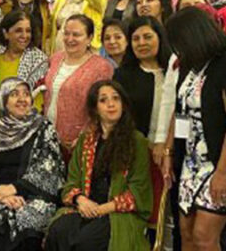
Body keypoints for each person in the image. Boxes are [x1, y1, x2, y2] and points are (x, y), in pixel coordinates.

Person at [163, 7, 226, 251]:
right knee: (186, 234)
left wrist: (223, 172)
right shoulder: (190, 64)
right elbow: (180, 110)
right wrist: (170, 152)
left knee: (204, 237)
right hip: (190, 162)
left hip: (220, 162)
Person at [45, 80, 153, 251]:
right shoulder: (86, 140)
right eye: (103, 100)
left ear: (123, 105)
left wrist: (100, 210)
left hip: (117, 213)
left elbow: (138, 192)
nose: (111, 104)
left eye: (115, 98)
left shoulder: (136, 141)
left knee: (85, 242)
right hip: (86, 207)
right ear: (95, 108)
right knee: (58, 230)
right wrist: (80, 200)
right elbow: (71, 182)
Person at [0, 77, 65, 251]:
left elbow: (49, 169)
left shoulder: (44, 128)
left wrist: (14, 188)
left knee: (27, 221)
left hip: (34, 195)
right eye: (14, 94)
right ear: (4, 101)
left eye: (26, 94)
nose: (22, 99)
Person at [43, 14, 114, 151]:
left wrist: (85, 136)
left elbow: (101, 108)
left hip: (79, 143)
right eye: (66, 33)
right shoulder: (55, 59)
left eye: (76, 35)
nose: (70, 39)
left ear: (89, 38)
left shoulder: (101, 67)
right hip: (48, 138)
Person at [113, 16, 172, 138]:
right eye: (135, 39)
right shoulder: (122, 76)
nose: (141, 43)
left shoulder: (174, 72)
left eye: (147, 37)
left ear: (160, 38)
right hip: (135, 143)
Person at [0, 10, 49, 109]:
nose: (24, 36)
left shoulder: (38, 60)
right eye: (18, 31)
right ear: (6, 33)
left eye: (28, 31)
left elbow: (38, 101)